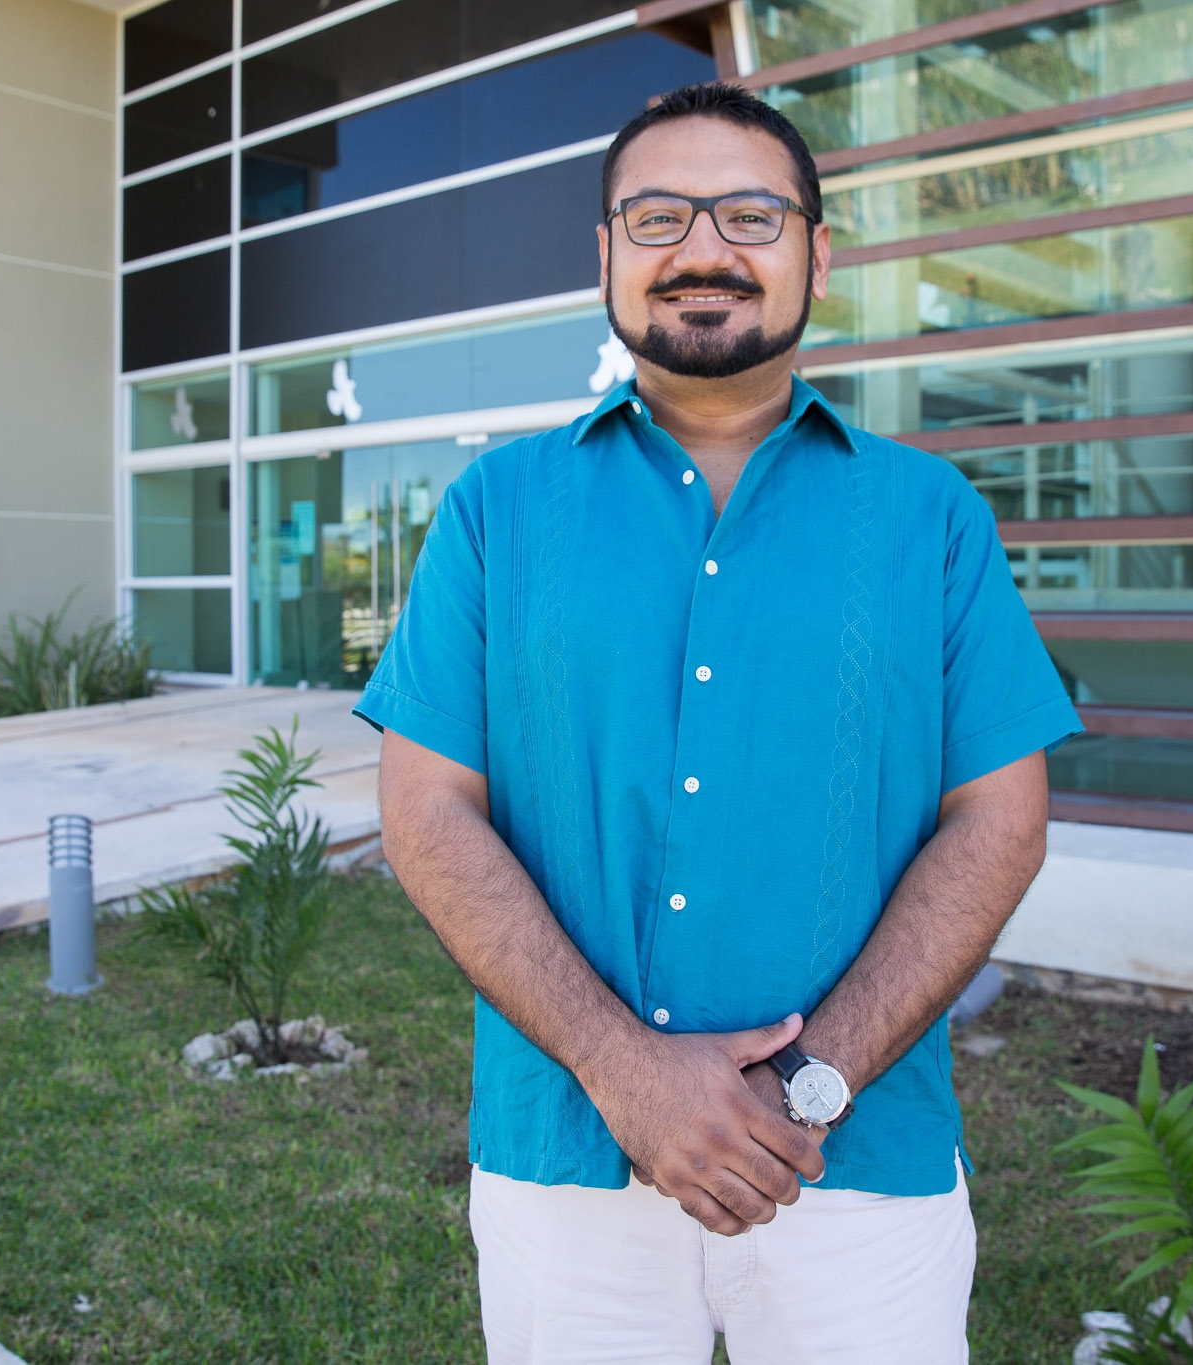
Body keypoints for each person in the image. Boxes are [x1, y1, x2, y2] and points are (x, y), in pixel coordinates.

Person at [356, 81, 1082, 1365]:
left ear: (816, 251)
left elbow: (1000, 824)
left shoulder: (930, 519)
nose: (702, 250)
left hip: (853, 1170)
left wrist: (811, 1086)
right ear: (605, 255)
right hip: (562, 1159)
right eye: (655, 218)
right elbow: (424, 813)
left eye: (749, 213)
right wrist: (621, 1069)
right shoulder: (493, 510)